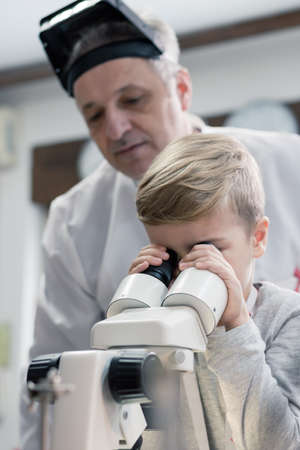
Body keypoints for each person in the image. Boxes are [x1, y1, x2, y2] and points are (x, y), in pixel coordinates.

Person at [20, 1, 300, 448]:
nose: (116, 128)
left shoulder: (291, 166)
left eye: (133, 99)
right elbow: (55, 378)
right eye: (94, 114)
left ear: (182, 89)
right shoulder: (73, 221)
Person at [129, 133, 300, 449]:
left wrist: (235, 328)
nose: (185, 270)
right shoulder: (163, 327)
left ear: (257, 238)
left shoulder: (288, 318)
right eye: (169, 256)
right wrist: (134, 328)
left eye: (206, 250)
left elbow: (278, 443)